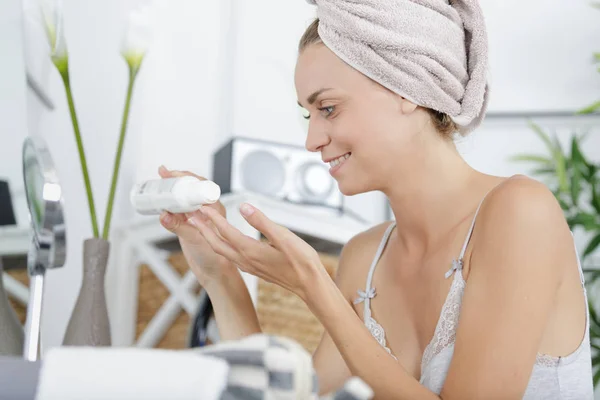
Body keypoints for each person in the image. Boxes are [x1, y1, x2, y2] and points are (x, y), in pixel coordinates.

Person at [159, 0, 594, 398]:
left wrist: (314, 288)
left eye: (327, 108)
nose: (312, 139)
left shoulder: (521, 213)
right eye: (307, 114)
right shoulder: (365, 257)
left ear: (407, 89)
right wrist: (219, 274)